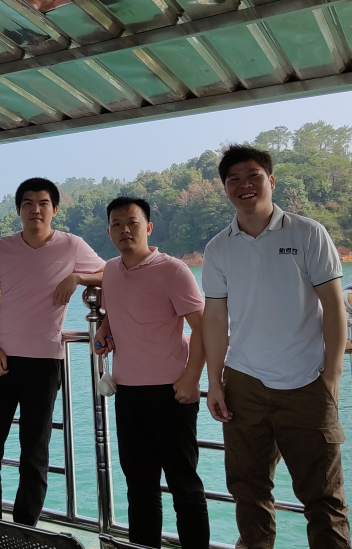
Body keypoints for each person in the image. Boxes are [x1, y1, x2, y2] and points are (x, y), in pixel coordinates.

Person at [201, 145, 349, 549]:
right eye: (233, 179)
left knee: (323, 495)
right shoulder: (219, 248)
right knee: (247, 488)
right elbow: (214, 319)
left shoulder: (308, 233)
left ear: (271, 180)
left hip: (307, 380)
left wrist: (332, 374)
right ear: (225, 188)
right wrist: (215, 382)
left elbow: (334, 307)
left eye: (253, 176)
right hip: (244, 382)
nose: (244, 185)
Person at [0, 177, 105, 526]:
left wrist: (78, 278)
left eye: (43, 203)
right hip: (0, 361)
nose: (35, 209)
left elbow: (111, 272)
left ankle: (24, 529)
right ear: (19, 210)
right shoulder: (2, 248)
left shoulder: (72, 245)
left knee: (34, 453)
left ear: (54, 209)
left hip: (45, 363)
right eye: (27, 203)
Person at [96, 197, 209, 549]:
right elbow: (116, 309)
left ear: (148, 227)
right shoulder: (110, 270)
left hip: (171, 390)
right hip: (128, 391)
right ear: (109, 231)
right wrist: (105, 329)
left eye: (132, 222)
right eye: (116, 224)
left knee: (183, 484)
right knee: (139, 486)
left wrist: (192, 379)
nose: (124, 230)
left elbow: (202, 327)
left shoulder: (173, 270)